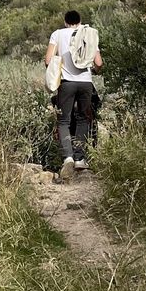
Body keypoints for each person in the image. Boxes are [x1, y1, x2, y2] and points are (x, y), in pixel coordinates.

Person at [45, 9, 101, 173]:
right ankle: (79, 158)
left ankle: (68, 157)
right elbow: (99, 62)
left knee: (63, 120)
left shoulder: (57, 34)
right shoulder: (88, 34)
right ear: (80, 21)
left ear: (65, 22)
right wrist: (93, 69)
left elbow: (48, 60)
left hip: (67, 83)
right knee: (83, 118)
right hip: (86, 83)